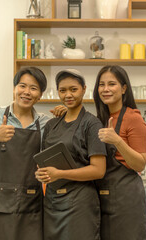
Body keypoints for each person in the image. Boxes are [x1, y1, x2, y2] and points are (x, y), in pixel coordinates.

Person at [0, 67, 65, 240]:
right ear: (14, 88)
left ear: (40, 95)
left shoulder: (46, 123)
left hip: (30, 203)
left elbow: (62, 153)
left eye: (33, 88)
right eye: (22, 86)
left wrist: (66, 114)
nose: (26, 92)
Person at [35, 69, 106, 240]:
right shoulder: (52, 124)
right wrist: (42, 173)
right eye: (63, 90)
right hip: (52, 202)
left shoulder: (92, 123)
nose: (68, 95)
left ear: (83, 89)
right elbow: (44, 160)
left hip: (80, 203)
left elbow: (98, 170)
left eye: (73, 89)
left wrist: (59, 174)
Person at [93, 65, 146, 240]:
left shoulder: (134, 118)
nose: (106, 89)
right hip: (102, 198)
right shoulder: (98, 119)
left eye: (112, 84)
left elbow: (140, 163)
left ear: (124, 88)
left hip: (126, 201)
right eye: (102, 85)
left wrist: (117, 140)